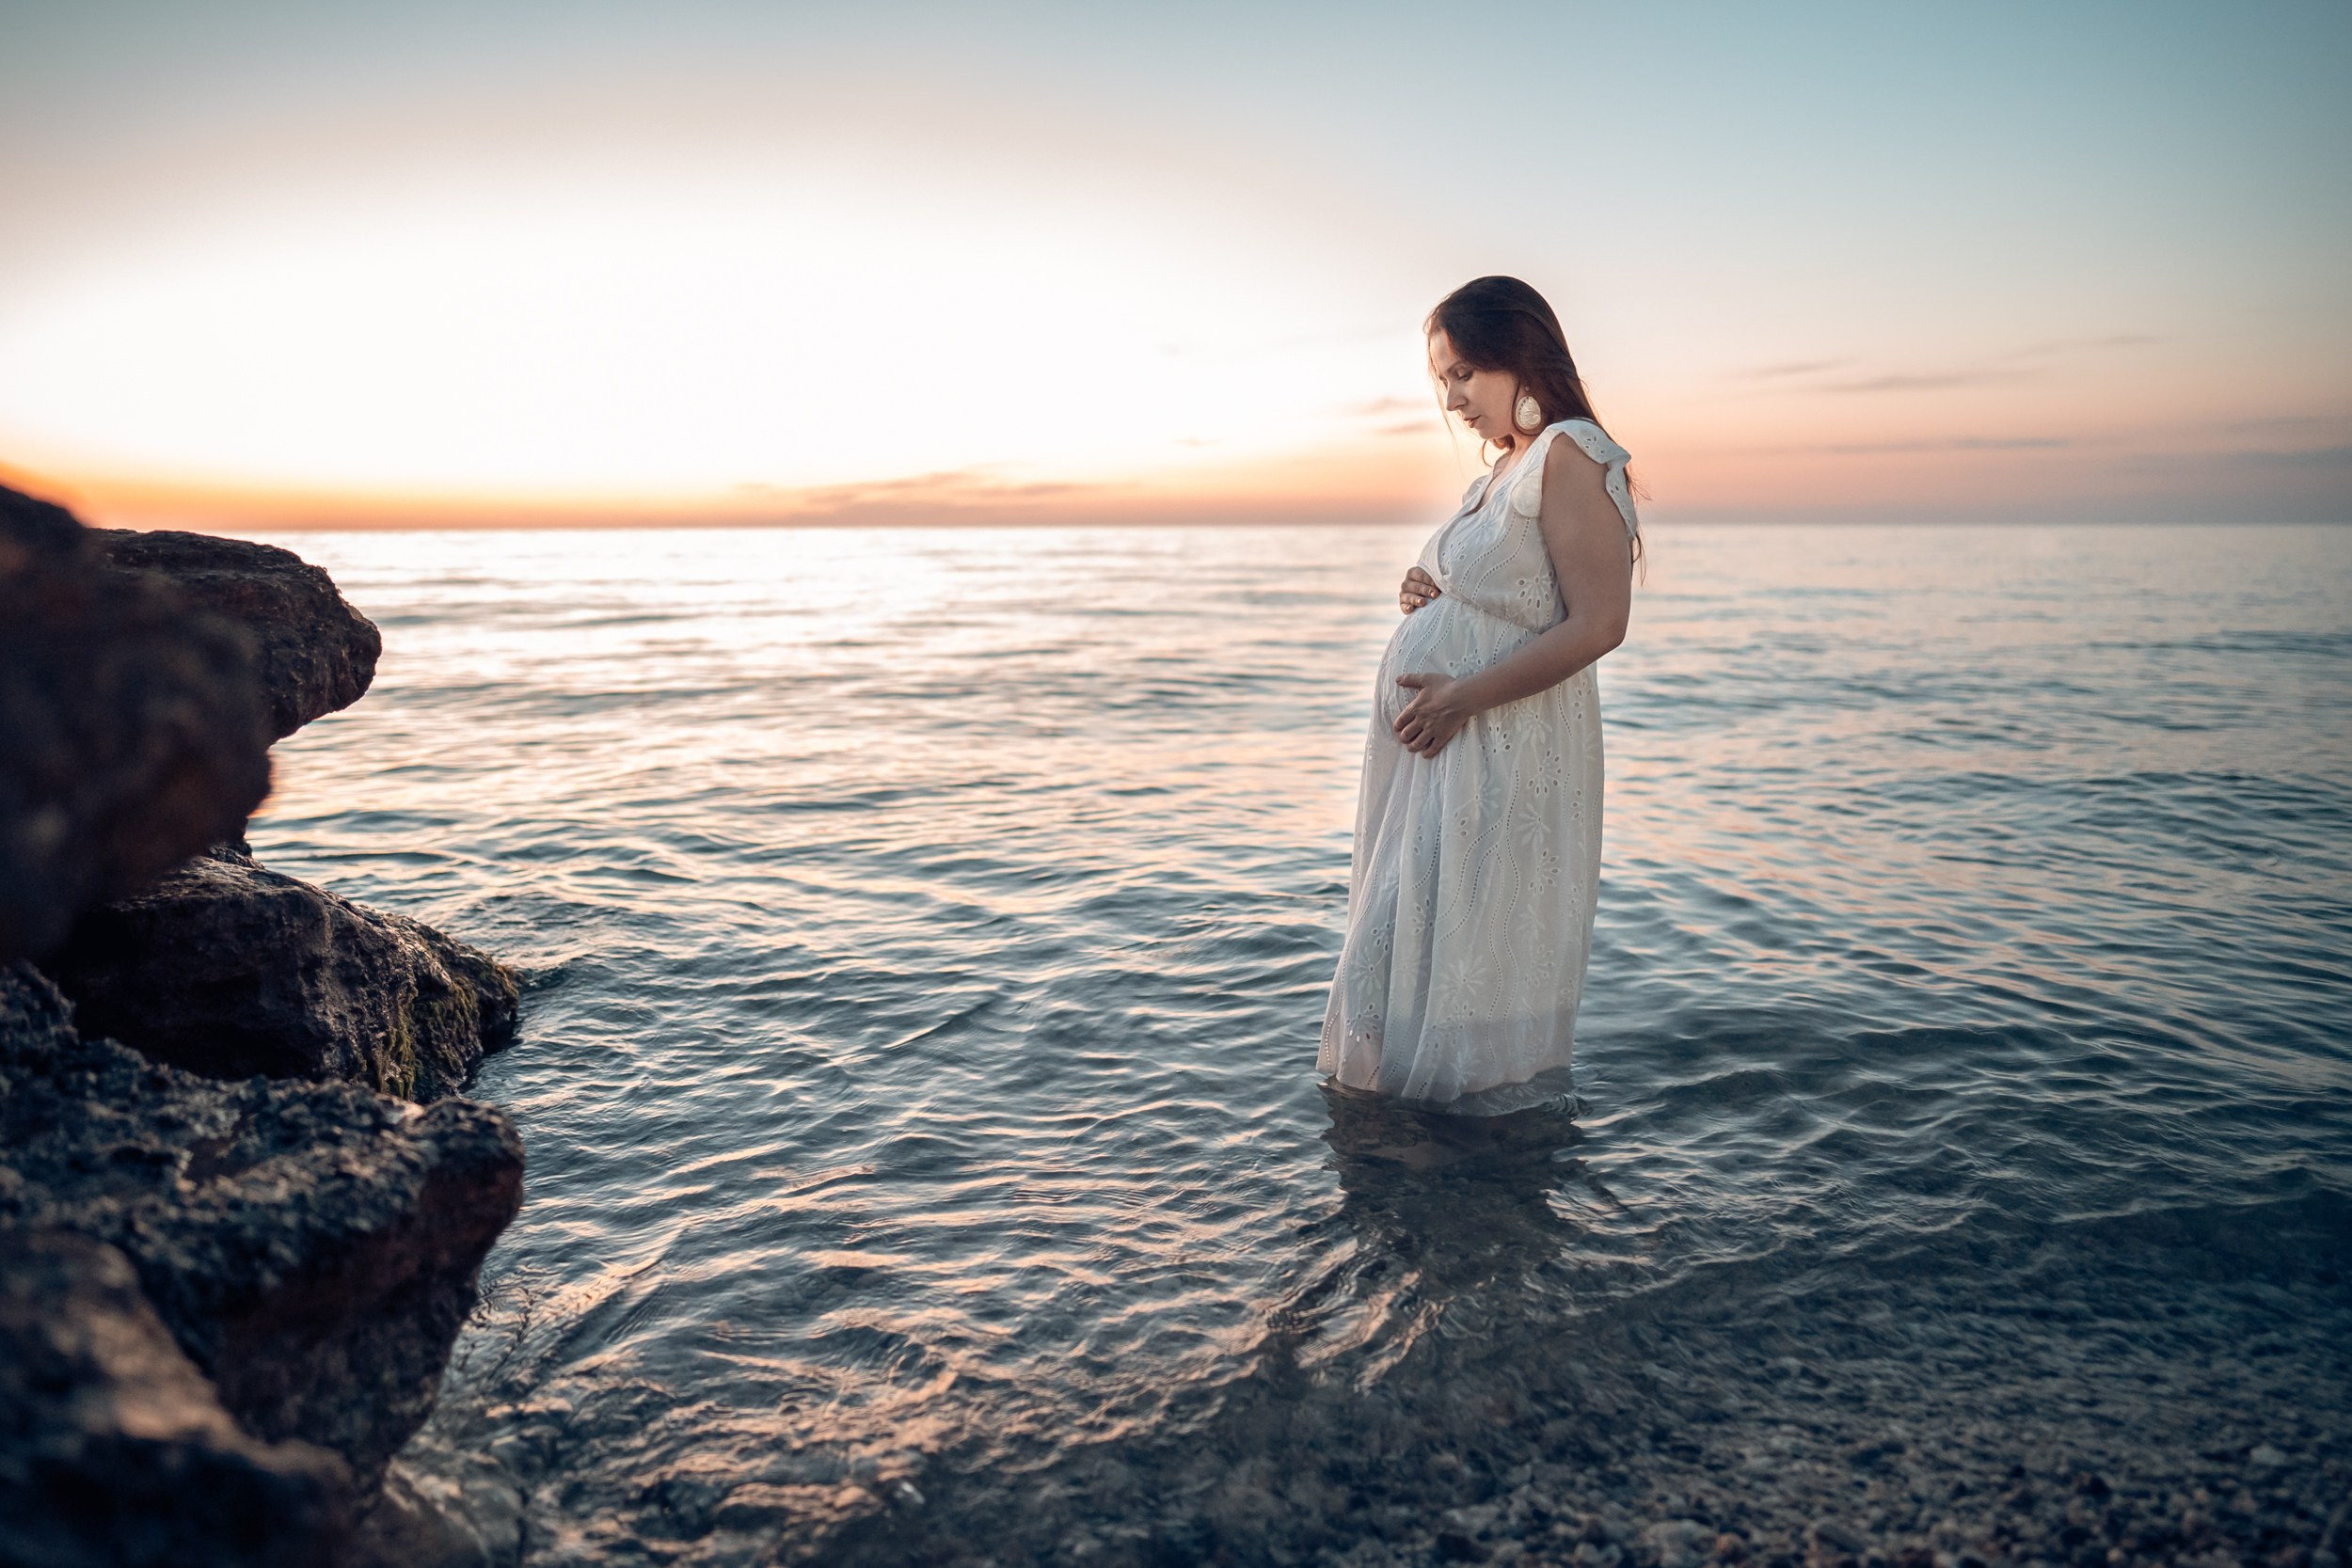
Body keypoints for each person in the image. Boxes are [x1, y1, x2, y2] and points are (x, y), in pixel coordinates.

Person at [1319, 275, 1640, 1115]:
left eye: (1464, 372)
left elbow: (1600, 621)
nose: (1451, 396)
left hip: (1502, 745)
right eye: (1443, 378)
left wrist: (1463, 695)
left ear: (1519, 353)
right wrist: (1431, 591)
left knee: (1469, 940)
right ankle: (1413, 1133)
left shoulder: (1574, 451)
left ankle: (1470, 1146)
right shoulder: (1505, 467)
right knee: (1411, 942)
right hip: (1448, 752)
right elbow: (1509, 591)